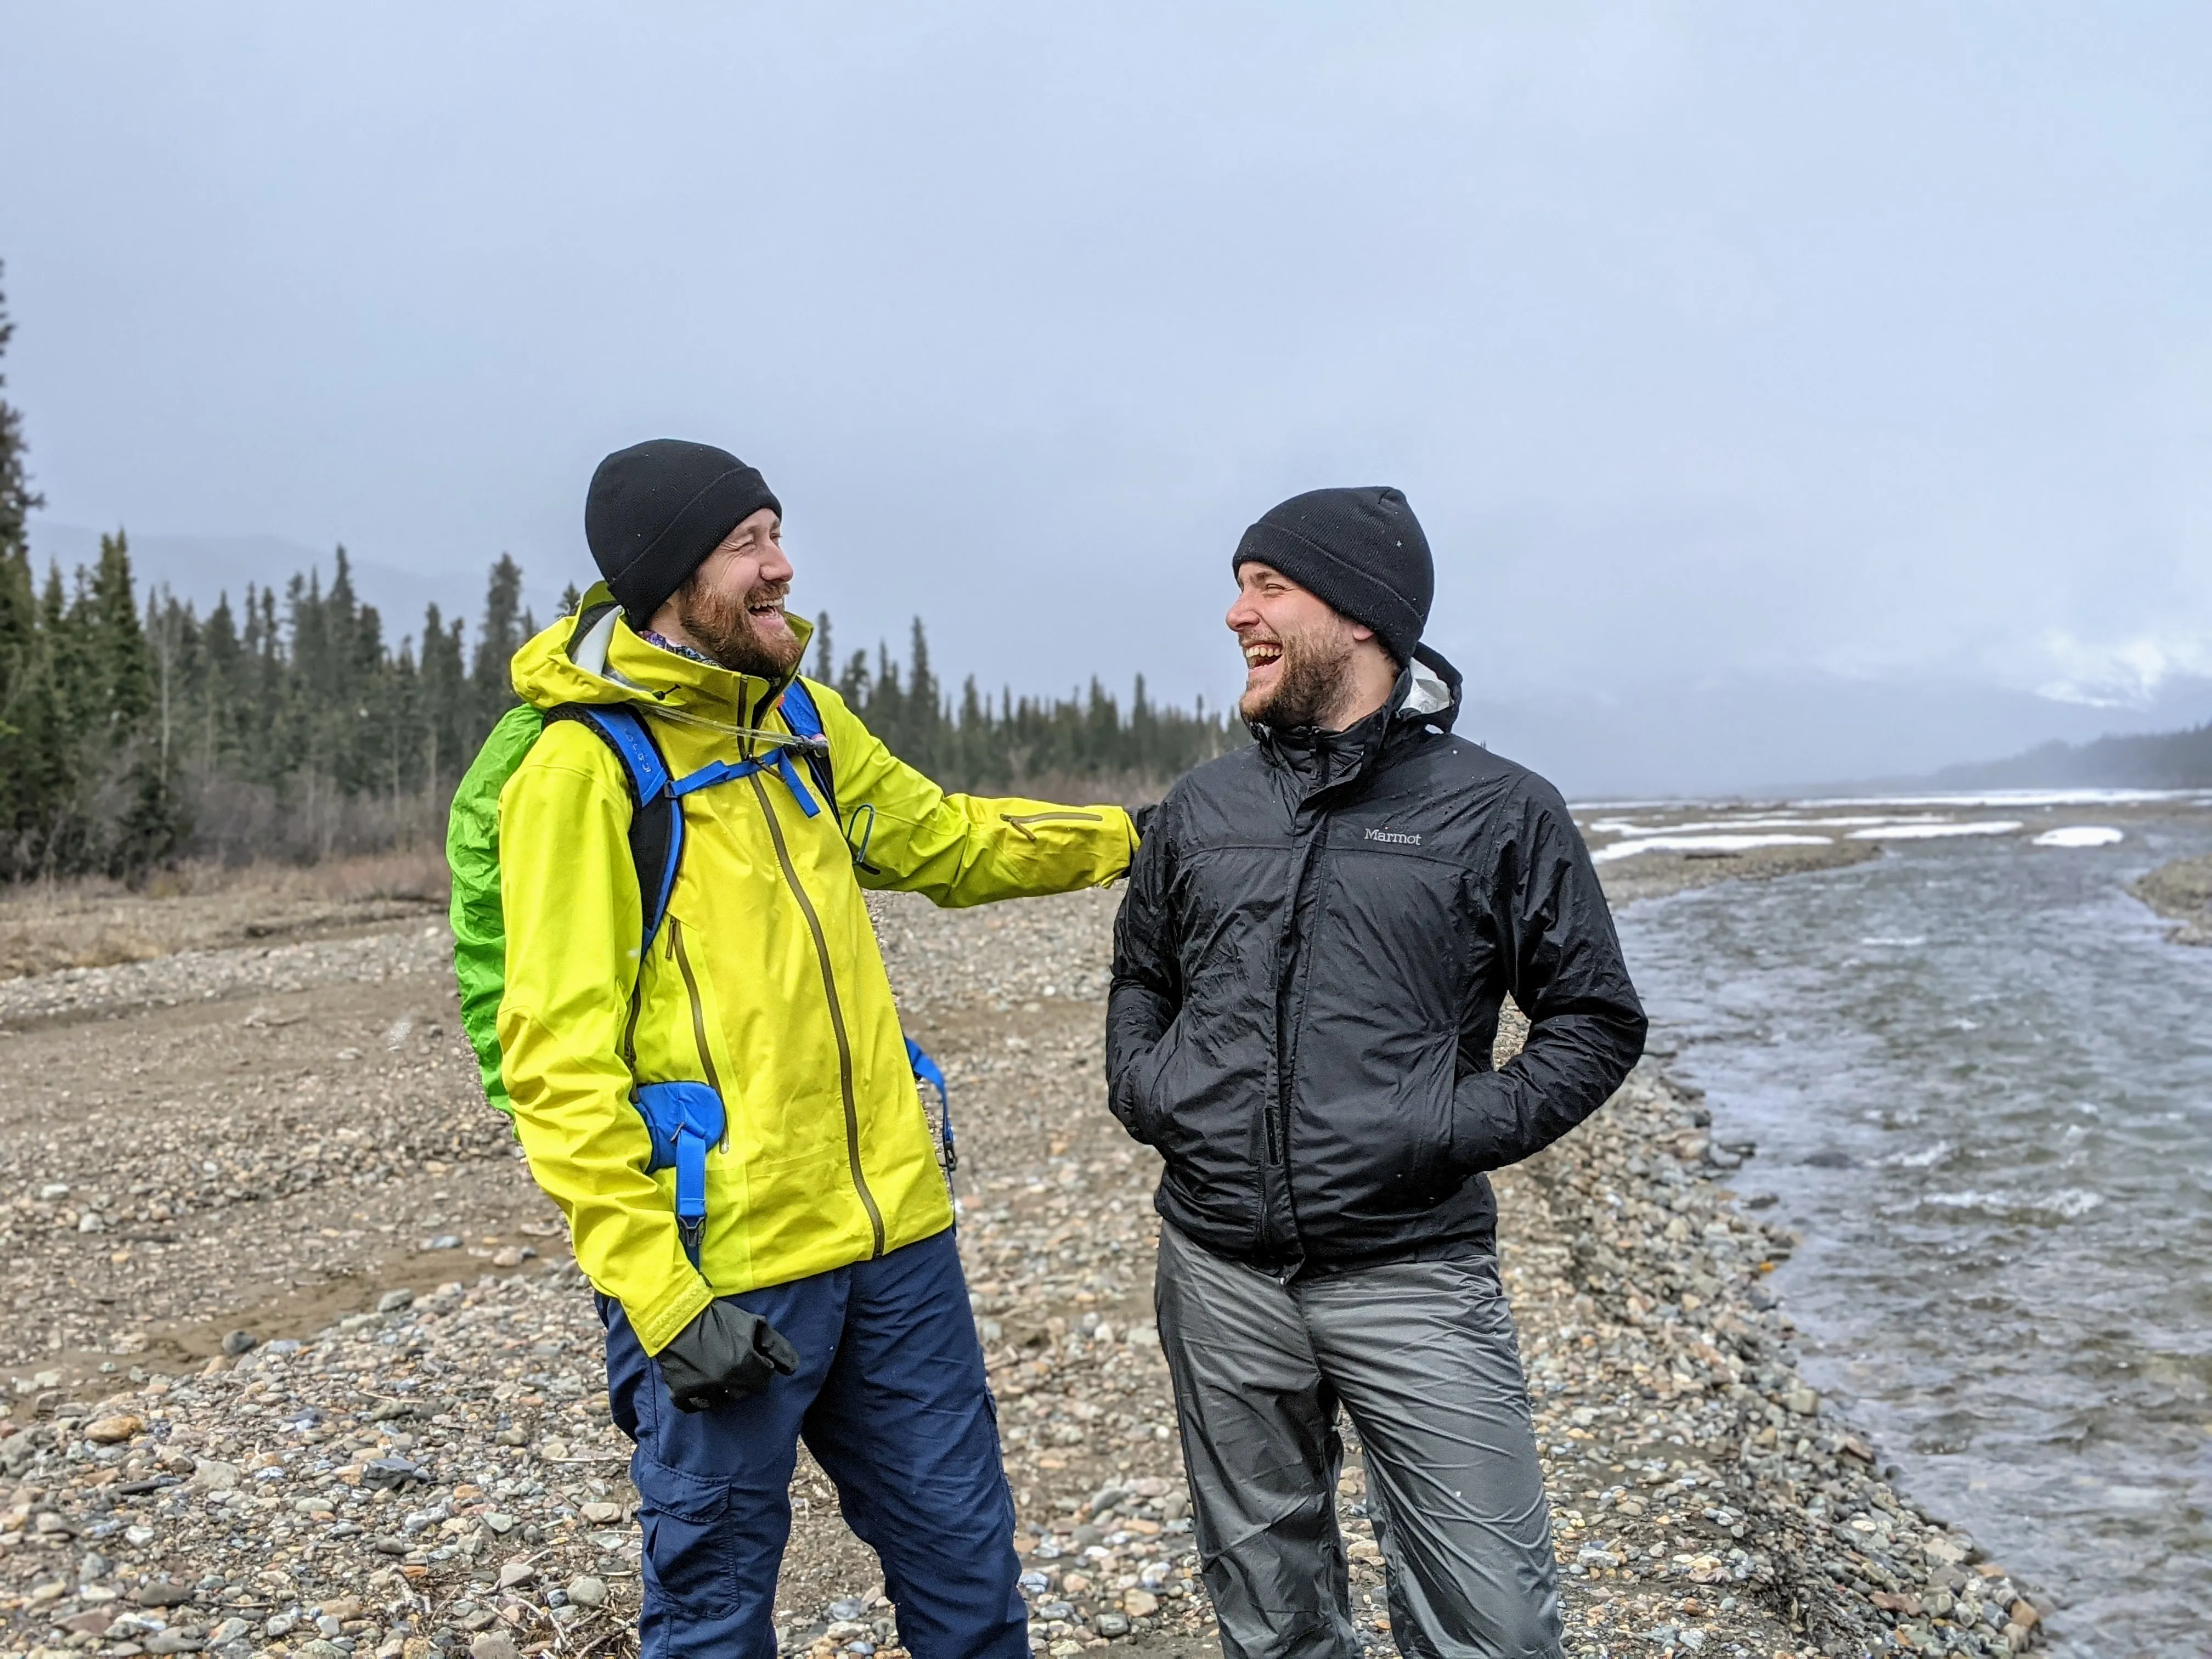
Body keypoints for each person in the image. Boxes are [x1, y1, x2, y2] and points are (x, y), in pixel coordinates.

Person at [491, 439, 1140, 1656]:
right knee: (715, 1617)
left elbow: (945, 840)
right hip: (725, 1273)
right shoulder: (581, 773)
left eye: (778, 533)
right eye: (747, 544)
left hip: (897, 1241)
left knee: (970, 1584)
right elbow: (555, 1067)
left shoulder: (800, 717)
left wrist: (1136, 841)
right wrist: (666, 1301)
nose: (783, 566)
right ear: (667, 576)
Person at [1106, 486, 1646, 1659]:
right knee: (1271, 1620)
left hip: (1414, 1271)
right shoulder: (1201, 809)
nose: (1236, 613)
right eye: (1240, 584)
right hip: (1218, 1269)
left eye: (1269, 587)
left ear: (1360, 616)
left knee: (1495, 1625)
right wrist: (1150, 1092)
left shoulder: (1500, 809)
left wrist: (1449, 1125)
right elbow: (1143, 974)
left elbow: (1594, 1019)